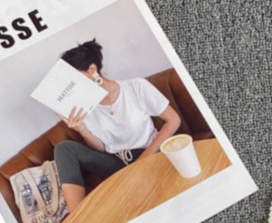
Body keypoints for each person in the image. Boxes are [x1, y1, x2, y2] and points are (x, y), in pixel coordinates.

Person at [53, 40, 182, 212]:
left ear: (92, 70)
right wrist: (82, 130)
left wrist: (145, 158)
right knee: (64, 149)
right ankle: (77, 216)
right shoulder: (84, 107)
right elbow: (102, 147)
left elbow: (173, 120)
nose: (71, 87)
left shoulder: (135, 87)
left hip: (148, 153)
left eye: (73, 80)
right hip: (115, 162)